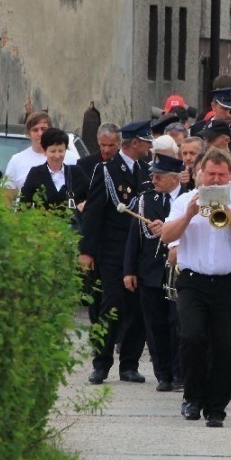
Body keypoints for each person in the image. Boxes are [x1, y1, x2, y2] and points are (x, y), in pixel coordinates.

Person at [161, 148, 231, 428]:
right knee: (192, 337)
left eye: (221, 174)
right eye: (210, 174)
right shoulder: (183, 202)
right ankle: (192, 397)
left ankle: (216, 407)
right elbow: (167, 236)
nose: (215, 179)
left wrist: (226, 210)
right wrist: (190, 213)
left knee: (227, 348)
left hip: (230, 283)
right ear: (198, 174)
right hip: (194, 281)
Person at [80, 120, 154, 385]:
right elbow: (94, 211)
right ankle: (101, 363)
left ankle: (129, 364)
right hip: (113, 251)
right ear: (134, 143)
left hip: (140, 251)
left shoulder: (147, 170)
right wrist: (87, 250)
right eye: (146, 142)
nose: (149, 147)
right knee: (111, 305)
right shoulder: (107, 170)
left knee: (137, 308)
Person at [123, 154, 188, 392]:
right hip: (150, 271)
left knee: (178, 323)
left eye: (158, 176)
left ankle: (180, 372)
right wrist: (129, 270)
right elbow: (134, 238)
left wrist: (169, 229)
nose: (153, 179)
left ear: (173, 178)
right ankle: (163, 374)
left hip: (180, 272)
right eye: (152, 175)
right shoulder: (145, 200)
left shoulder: (188, 198)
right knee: (155, 325)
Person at [4, 111, 78, 197]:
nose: (40, 134)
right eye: (35, 130)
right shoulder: (17, 161)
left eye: (43, 129)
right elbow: (7, 197)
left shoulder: (69, 157)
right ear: (28, 133)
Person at [19, 128, 80, 215]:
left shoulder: (75, 172)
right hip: (44, 226)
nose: (57, 156)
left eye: (61, 151)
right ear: (44, 151)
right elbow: (23, 205)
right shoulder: (35, 174)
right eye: (53, 151)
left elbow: (91, 196)